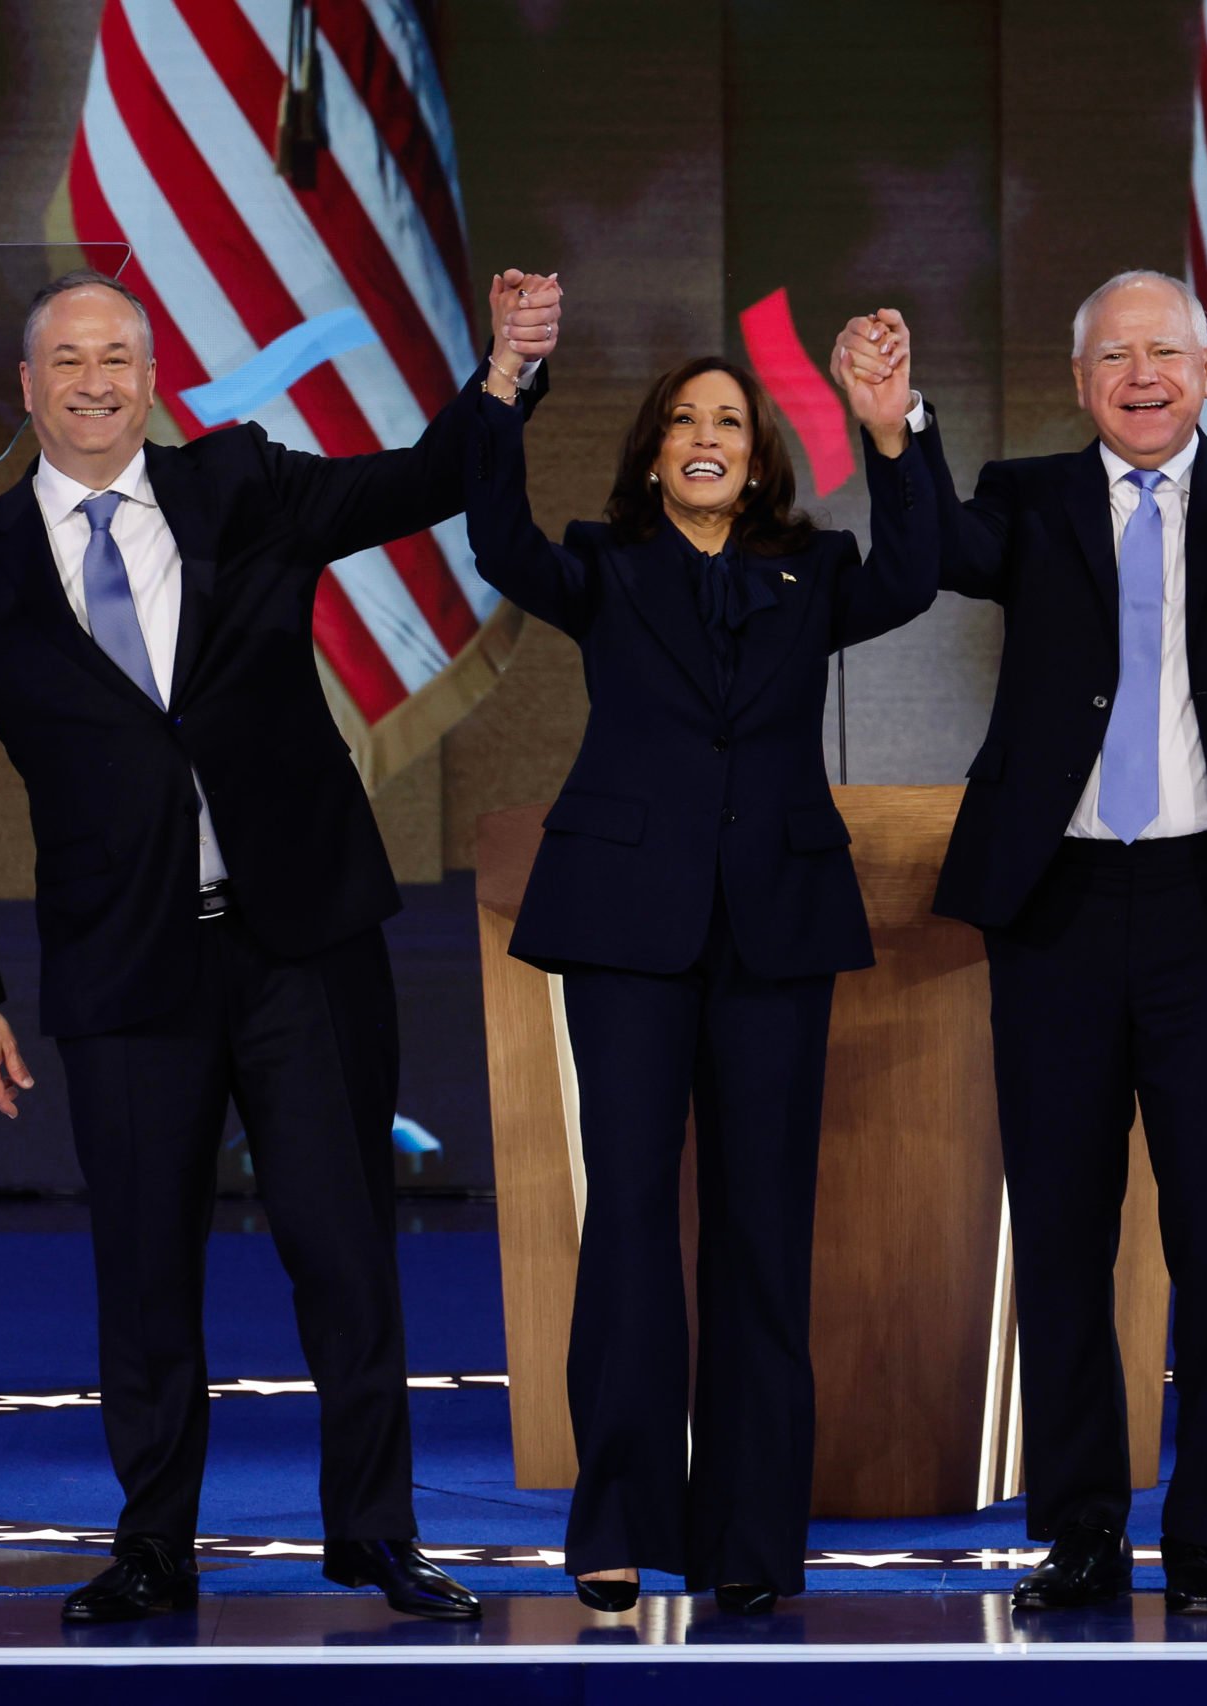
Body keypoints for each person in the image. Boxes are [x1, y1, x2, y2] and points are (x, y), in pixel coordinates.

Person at [0, 266, 562, 1624]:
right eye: (70, 361)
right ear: (27, 390)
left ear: (153, 378)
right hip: (123, 960)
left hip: (300, 941)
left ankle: (375, 1533)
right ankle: (153, 1543)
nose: (98, 381)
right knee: (145, 1272)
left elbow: (418, 482)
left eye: (122, 357)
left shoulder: (236, 486)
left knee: (343, 1249)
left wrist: (503, 375)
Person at [833, 274, 1207, 1613]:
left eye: (1165, 352)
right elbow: (933, 558)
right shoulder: (1028, 496)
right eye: (1115, 356)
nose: (1141, 374)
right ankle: (1081, 1524)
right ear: (1079, 375)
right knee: (1062, 1228)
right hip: (1063, 904)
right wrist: (893, 427)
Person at [461, 332, 937, 1615]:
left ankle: (748, 1535)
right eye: (682, 418)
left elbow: (918, 569)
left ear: (759, 452)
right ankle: (615, 1517)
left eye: (726, 415)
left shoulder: (813, 568)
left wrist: (893, 430)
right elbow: (495, 539)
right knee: (624, 1223)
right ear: (656, 453)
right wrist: (505, 382)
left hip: (774, 925)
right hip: (626, 925)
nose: (705, 433)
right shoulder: (605, 566)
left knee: (761, 1235)